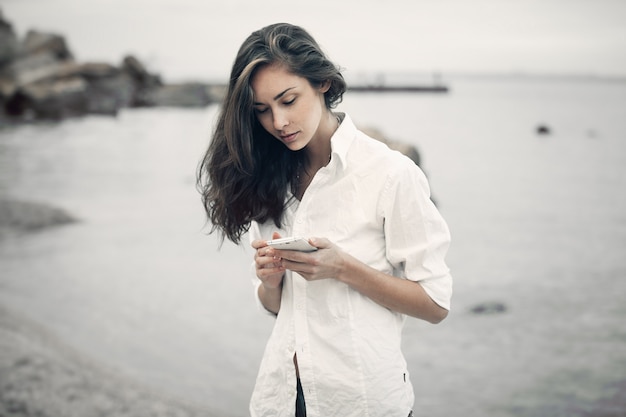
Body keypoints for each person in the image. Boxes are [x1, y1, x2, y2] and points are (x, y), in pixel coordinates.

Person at [196, 23, 452, 417]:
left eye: (288, 100)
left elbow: (435, 304)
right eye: (262, 110)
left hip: (362, 403)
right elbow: (275, 307)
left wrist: (344, 268)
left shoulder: (390, 174)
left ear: (323, 84)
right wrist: (270, 281)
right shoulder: (269, 176)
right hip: (281, 398)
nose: (278, 122)